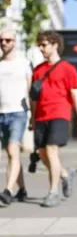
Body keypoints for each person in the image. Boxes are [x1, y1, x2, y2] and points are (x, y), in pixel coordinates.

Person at [30, 31, 77, 207]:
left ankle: (53, 192)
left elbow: (75, 96)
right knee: (43, 153)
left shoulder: (68, 68)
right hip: (41, 116)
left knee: (51, 150)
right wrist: (32, 120)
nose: (41, 48)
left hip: (60, 114)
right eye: (39, 44)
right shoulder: (38, 70)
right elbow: (34, 99)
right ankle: (64, 174)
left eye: (44, 44)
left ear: (55, 45)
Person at [0, 29, 32, 205]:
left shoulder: (24, 63)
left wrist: (33, 115)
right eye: (1, 40)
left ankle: (7, 190)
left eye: (7, 40)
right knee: (12, 155)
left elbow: (30, 89)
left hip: (18, 112)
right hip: (1, 113)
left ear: (14, 42)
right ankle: (22, 189)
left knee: (13, 151)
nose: (3, 43)